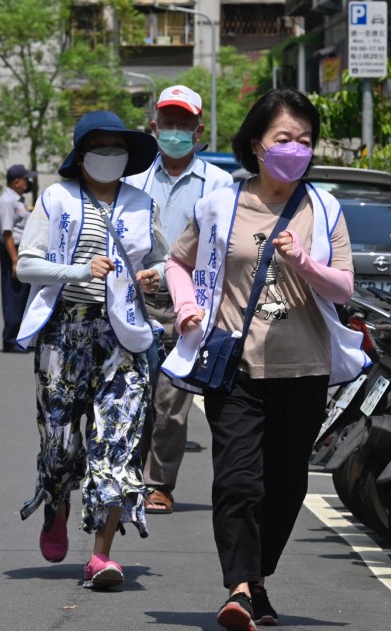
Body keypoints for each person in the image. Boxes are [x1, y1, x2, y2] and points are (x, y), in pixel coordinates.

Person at [160, 89, 367, 629]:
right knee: (237, 482)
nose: (295, 149)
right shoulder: (220, 204)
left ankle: (258, 579)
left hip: (305, 371)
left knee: (286, 486)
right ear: (257, 145)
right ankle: (241, 589)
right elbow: (178, 264)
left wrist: (304, 263)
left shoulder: (324, 209)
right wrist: (187, 310)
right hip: (237, 367)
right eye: (284, 139)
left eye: (305, 140)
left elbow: (343, 289)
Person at [15, 111, 167, 590]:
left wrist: (156, 276)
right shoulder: (56, 198)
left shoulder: (143, 204)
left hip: (122, 336)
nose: (109, 155)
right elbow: (25, 266)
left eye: (116, 147)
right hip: (65, 334)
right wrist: (78, 272)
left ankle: (102, 555)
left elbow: (162, 261)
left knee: (118, 441)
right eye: (99, 146)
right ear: (81, 155)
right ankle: (57, 503)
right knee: (59, 442)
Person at [123, 85, 234, 514]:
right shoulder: (133, 182)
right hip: (136, 302)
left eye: (182, 125)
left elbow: (220, 247)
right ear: (153, 128)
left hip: (189, 308)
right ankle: (127, 473)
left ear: (198, 129)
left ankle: (158, 483)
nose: (174, 131)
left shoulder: (219, 184)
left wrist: (175, 275)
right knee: (135, 394)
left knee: (171, 401)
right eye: (167, 123)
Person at [0, 164, 33, 352]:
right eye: (26, 179)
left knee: (23, 295)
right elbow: (8, 233)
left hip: (22, 250)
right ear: (16, 181)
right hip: (13, 251)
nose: (28, 182)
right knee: (14, 296)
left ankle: (20, 338)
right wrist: (15, 261)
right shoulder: (7, 202)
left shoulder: (17, 200)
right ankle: (11, 340)